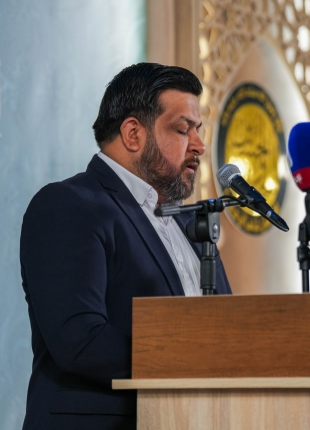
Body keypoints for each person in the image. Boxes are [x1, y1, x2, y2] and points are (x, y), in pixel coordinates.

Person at [20, 63, 232, 430]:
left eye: (198, 129)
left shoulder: (188, 222)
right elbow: (79, 340)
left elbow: (227, 330)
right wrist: (192, 359)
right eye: (182, 129)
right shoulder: (69, 205)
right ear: (133, 134)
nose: (199, 145)